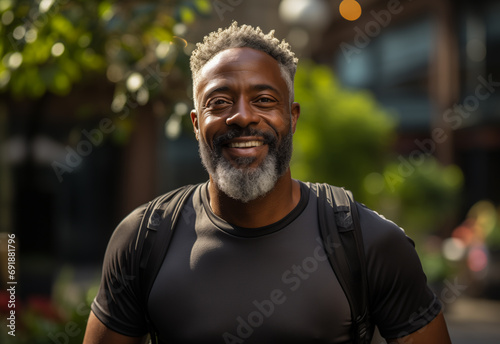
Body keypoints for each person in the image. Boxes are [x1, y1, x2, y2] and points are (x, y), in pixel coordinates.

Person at [83, 22, 452, 344]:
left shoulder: (368, 242)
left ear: (292, 118)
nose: (242, 117)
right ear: (196, 124)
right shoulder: (142, 239)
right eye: (221, 101)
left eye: (263, 99)